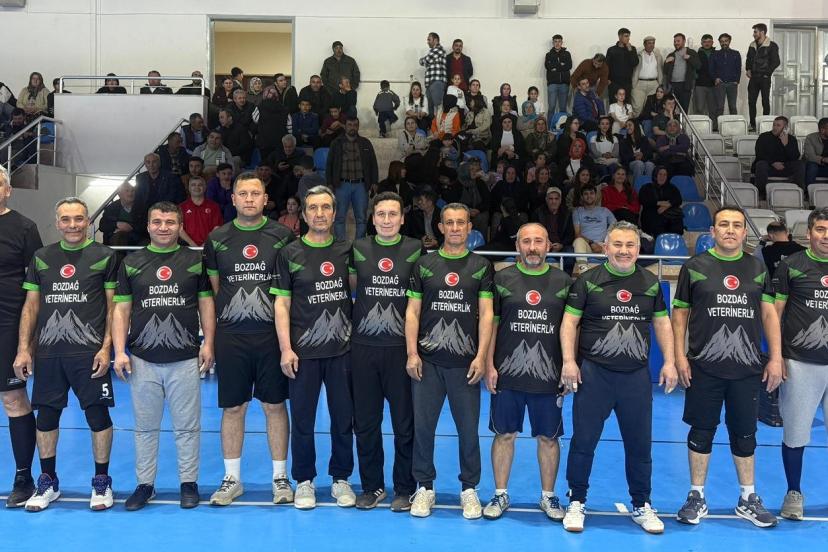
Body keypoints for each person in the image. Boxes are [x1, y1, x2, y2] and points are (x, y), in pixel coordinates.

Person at [560, 221, 675, 534]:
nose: (624, 251)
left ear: (638, 249)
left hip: (635, 378)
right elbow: (569, 323)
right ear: (605, 247)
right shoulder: (587, 281)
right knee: (583, 442)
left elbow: (662, 324)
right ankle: (576, 501)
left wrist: (670, 361)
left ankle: (641, 504)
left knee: (640, 445)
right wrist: (569, 361)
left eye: (630, 245)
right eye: (618, 244)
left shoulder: (651, 283)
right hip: (594, 375)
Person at [672, 205, 782, 528]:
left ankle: (748, 498)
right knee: (701, 430)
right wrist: (679, 357)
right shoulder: (694, 267)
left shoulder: (757, 268)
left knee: (745, 433)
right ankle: (696, 496)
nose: (730, 230)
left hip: (747, 368)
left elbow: (769, 314)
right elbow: (679, 315)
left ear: (745, 232)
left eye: (736, 225)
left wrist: (775, 357)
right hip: (704, 366)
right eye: (724, 224)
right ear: (713, 231)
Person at [14, 197, 118, 512]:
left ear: (89, 221)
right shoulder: (42, 257)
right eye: (66, 219)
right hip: (49, 354)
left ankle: (102, 481)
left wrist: (107, 347)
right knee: (46, 417)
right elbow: (31, 306)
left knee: (98, 416)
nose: (73, 225)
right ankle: (48, 481)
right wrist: (24, 349)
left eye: (79, 218)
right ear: (57, 222)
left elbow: (113, 308)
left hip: (89, 353)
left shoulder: (105, 256)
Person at [112, 201, 215, 510]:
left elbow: (206, 303)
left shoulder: (194, 261)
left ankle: (188, 483)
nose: (163, 227)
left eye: (170, 222)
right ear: (148, 226)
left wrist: (208, 343)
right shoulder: (131, 262)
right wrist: (120, 351)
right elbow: (121, 309)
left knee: (188, 427)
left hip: (185, 357)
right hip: (143, 359)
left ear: (180, 226)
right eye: (157, 222)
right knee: (145, 428)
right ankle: (145, 485)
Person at [202, 173, 296, 507]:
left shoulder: (282, 236)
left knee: (275, 405)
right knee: (233, 407)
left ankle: (280, 477)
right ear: (233, 199)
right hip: (232, 336)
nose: (249, 199)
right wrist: (211, 340)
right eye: (243, 193)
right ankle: (232, 478)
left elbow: (289, 290)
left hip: (271, 336)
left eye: (255, 193)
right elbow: (215, 291)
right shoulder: (217, 238)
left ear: (266, 198)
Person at [405, 202, 494, 519]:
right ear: (440, 227)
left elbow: (487, 314)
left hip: (465, 364)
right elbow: (413, 312)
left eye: (461, 223)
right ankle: (424, 487)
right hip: (428, 362)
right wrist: (412, 353)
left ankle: (469, 489)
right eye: (449, 223)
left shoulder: (481, 266)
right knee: (423, 428)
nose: (455, 228)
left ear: (469, 227)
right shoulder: (424, 264)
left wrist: (481, 356)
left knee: (468, 431)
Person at [271, 185, 355, 509]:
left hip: (341, 351)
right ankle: (304, 480)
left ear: (334, 213)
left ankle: (340, 478)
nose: (320, 214)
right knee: (303, 420)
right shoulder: (289, 254)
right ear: (304, 215)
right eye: (313, 208)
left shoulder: (346, 251)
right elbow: (281, 304)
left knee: (342, 419)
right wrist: (286, 348)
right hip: (302, 353)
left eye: (326, 208)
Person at [481, 222, 571, 519]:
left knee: (548, 437)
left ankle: (549, 497)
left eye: (538, 241)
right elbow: (492, 325)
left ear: (549, 245)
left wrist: (569, 365)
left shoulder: (564, 281)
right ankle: (500, 494)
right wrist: (489, 364)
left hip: (549, 375)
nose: (532, 247)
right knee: (504, 434)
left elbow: (571, 328)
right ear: (517, 246)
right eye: (526, 241)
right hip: (507, 373)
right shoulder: (501, 278)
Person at [347, 192, 422, 511]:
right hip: (363, 349)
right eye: (381, 214)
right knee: (366, 423)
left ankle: (404, 487)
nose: (387, 220)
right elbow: (350, 288)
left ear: (402, 219)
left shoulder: (416, 249)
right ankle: (372, 486)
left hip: (400, 350)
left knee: (405, 424)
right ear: (373, 218)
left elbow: (420, 299)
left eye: (393, 214)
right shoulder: (359, 248)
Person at [772, 208, 828, 520]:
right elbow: (775, 314)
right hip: (799, 362)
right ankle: (794, 492)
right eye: (820, 229)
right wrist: (776, 356)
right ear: (809, 233)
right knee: (795, 432)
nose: (826, 236)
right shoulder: (791, 265)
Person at [0, 167, 42, 508]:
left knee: (14, 399)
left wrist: (27, 344)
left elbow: (36, 289)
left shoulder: (25, 228)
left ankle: (23, 476)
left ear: (8, 190)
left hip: (8, 325)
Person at [326, 117, 379, 240]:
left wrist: (375, 182)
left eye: (355, 125)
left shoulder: (365, 143)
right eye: (349, 125)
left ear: (358, 127)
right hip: (341, 185)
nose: (352, 127)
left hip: (361, 185)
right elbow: (329, 164)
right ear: (345, 126)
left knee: (361, 218)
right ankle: (341, 244)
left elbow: (373, 163)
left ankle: (359, 244)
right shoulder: (336, 143)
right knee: (339, 218)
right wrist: (329, 183)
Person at [133, 153, 186, 239]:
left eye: (154, 162)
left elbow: (178, 197)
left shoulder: (171, 177)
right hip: (146, 214)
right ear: (145, 165)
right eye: (148, 162)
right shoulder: (140, 178)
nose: (151, 165)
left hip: (166, 212)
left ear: (159, 163)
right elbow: (138, 199)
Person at [754, 116, 805, 196]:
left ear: (785, 128)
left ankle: (799, 193)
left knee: (800, 164)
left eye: (778, 125)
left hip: (785, 167)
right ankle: (760, 194)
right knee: (761, 164)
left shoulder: (791, 139)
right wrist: (773, 163)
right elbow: (759, 154)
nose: (775, 127)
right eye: (774, 125)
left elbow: (795, 157)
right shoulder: (764, 137)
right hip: (769, 166)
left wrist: (786, 144)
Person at [746, 23, 780, 132]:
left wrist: (767, 73)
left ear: (762, 32)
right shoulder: (752, 45)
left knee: (765, 101)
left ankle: (765, 124)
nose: (753, 34)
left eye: (755, 32)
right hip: (753, 78)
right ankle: (752, 124)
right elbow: (748, 59)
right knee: (751, 102)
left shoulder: (772, 45)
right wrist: (748, 69)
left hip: (765, 78)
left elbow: (776, 61)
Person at [638, 166, 684, 238]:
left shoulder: (672, 187)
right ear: (655, 175)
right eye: (660, 174)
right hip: (651, 215)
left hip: (669, 215)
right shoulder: (646, 187)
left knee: (676, 223)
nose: (662, 177)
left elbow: (678, 199)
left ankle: (674, 242)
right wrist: (659, 203)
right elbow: (643, 200)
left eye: (665, 175)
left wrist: (668, 205)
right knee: (657, 223)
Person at [573, 184, 616, 257]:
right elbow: (577, 234)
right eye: (586, 194)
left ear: (596, 196)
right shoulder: (577, 211)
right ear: (582, 197)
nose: (589, 196)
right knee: (578, 241)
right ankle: (582, 264)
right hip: (586, 245)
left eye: (591, 193)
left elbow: (616, 226)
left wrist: (605, 242)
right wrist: (591, 243)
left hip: (603, 245)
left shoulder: (604, 210)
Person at [180, 176, 223, 247]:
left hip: (210, 245)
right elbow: (179, 228)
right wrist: (191, 243)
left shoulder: (214, 206)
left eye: (200, 185)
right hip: (187, 246)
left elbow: (217, 227)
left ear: (205, 188)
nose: (197, 187)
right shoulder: (182, 207)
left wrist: (206, 244)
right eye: (193, 185)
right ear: (189, 188)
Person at [664, 33, 701, 113]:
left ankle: (683, 122)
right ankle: (672, 121)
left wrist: (689, 58)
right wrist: (666, 62)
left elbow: (698, 66)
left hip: (685, 85)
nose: (676, 43)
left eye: (678, 41)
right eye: (674, 41)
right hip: (672, 86)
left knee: (684, 109)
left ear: (684, 41)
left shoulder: (691, 52)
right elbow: (665, 71)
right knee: (670, 109)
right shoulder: (671, 55)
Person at [710, 33, 742, 125]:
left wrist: (737, 80)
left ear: (729, 41)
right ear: (719, 42)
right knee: (719, 107)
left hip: (732, 83)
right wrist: (715, 78)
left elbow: (738, 68)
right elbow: (711, 68)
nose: (724, 43)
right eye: (722, 41)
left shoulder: (736, 53)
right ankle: (718, 127)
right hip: (720, 83)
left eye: (726, 41)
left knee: (733, 107)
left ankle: (734, 126)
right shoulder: (715, 54)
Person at [256, 85, 292, 160]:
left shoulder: (260, 107)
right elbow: (289, 126)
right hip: (280, 142)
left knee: (265, 163)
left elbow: (255, 119)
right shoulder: (284, 109)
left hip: (264, 141)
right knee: (278, 163)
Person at [99, 182, 140, 247]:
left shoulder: (141, 207)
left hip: (136, 238)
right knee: (119, 237)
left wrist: (129, 228)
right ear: (120, 194)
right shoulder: (111, 208)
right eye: (127, 191)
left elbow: (145, 225)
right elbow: (102, 226)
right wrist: (116, 224)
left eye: (132, 191)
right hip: (116, 239)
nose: (130, 193)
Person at [631, 36, 664, 117]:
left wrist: (660, 84)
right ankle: (636, 124)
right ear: (644, 44)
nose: (651, 45)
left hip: (654, 84)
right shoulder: (638, 55)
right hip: (639, 83)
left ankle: (647, 124)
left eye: (653, 43)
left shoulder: (658, 56)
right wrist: (633, 85)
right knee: (637, 107)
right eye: (649, 43)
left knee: (651, 107)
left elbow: (661, 70)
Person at [606, 28, 639, 105]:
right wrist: (607, 79)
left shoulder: (632, 49)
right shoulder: (611, 50)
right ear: (620, 36)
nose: (628, 38)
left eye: (629, 36)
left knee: (626, 104)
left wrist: (630, 50)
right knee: (614, 104)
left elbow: (635, 63)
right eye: (626, 36)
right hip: (614, 82)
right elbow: (606, 65)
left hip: (627, 82)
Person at [419, 33, 447, 117]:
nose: (427, 42)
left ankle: (440, 125)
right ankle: (432, 124)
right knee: (429, 108)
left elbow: (424, 61)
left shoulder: (439, 49)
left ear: (435, 40)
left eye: (429, 39)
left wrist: (423, 60)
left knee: (438, 107)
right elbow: (427, 60)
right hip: (430, 83)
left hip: (437, 82)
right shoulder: (433, 51)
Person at [694, 35, 718, 128]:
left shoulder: (716, 53)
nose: (707, 44)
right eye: (705, 42)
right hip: (700, 85)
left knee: (713, 109)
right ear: (701, 43)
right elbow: (694, 68)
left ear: (712, 42)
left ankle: (714, 128)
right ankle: (699, 128)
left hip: (713, 85)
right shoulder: (697, 54)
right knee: (699, 108)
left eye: (709, 42)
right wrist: (696, 77)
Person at [545, 34, 573, 115]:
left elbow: (569, 66)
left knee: (563, 108)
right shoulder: (548, 54)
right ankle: (550, 123)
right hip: (552, 84)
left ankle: (562, 123)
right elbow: (548, 66)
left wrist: (555, 67)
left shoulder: (567, 54)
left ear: (562, 42)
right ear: (553, 43)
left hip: (564, 84)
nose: (557, 43)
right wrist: (561, 65)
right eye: (555, 41)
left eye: (559, 41)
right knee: (551, 107)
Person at [804, 117, 828, 185]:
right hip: (815, 167)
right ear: (822, 130)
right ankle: (809, 189)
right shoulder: (810, 138)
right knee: (812, 166)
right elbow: (809, 156)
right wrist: (823, 159)